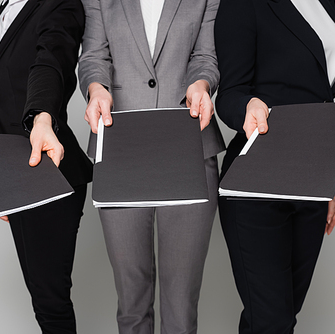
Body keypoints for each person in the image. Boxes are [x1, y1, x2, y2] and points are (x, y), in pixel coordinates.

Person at [77, 0, 225, 332]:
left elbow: (206, 56)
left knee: (181, 307)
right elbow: (93, 57)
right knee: (131, 304)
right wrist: (96, 89)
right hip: (120, 148)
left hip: (189, 146)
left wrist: (200, 85)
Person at [214, 0, 335, 333]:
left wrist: (326, 179)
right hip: (256, 181)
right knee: (271, 321)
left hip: (311, 181)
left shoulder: (324, 2)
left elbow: (317, 98)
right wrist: (248, 106)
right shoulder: (244, 4)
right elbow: (229, 94)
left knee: (283, 317)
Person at [0, 0, 92, 333]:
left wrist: (41, 116)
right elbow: (4, 98)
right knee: (41, 300)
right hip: (16, 172)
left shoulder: (61, 4)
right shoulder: (8, 6)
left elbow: (52, 58)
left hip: (50, 169)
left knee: (50, 302)